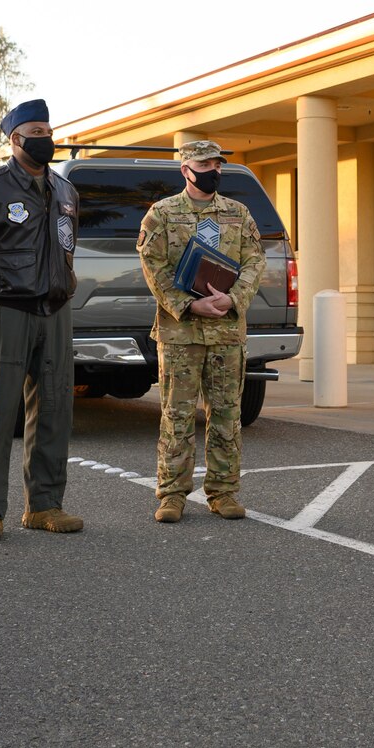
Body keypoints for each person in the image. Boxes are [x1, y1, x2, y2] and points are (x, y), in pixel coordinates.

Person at [0, 98, 83, 540]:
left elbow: (66, 249)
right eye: (36, 133)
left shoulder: (66, 192)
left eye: (48, 131)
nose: (45, 139)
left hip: (56, 312)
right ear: (15, 139)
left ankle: (45, 505)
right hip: (7, 310)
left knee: (55, 410)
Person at [135, 139, 268, 523]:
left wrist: (234, 299)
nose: (214, 170)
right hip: (181, 333)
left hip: (226, 331)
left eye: (217, 164)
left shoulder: (237, 213)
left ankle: (223, 492)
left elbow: (254, 261)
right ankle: (172, 494)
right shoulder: (161, 213)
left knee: (227, 413)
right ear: (186, 169)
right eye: (205, 163)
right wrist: (189, 304)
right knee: (176, 415)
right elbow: (153, 266)